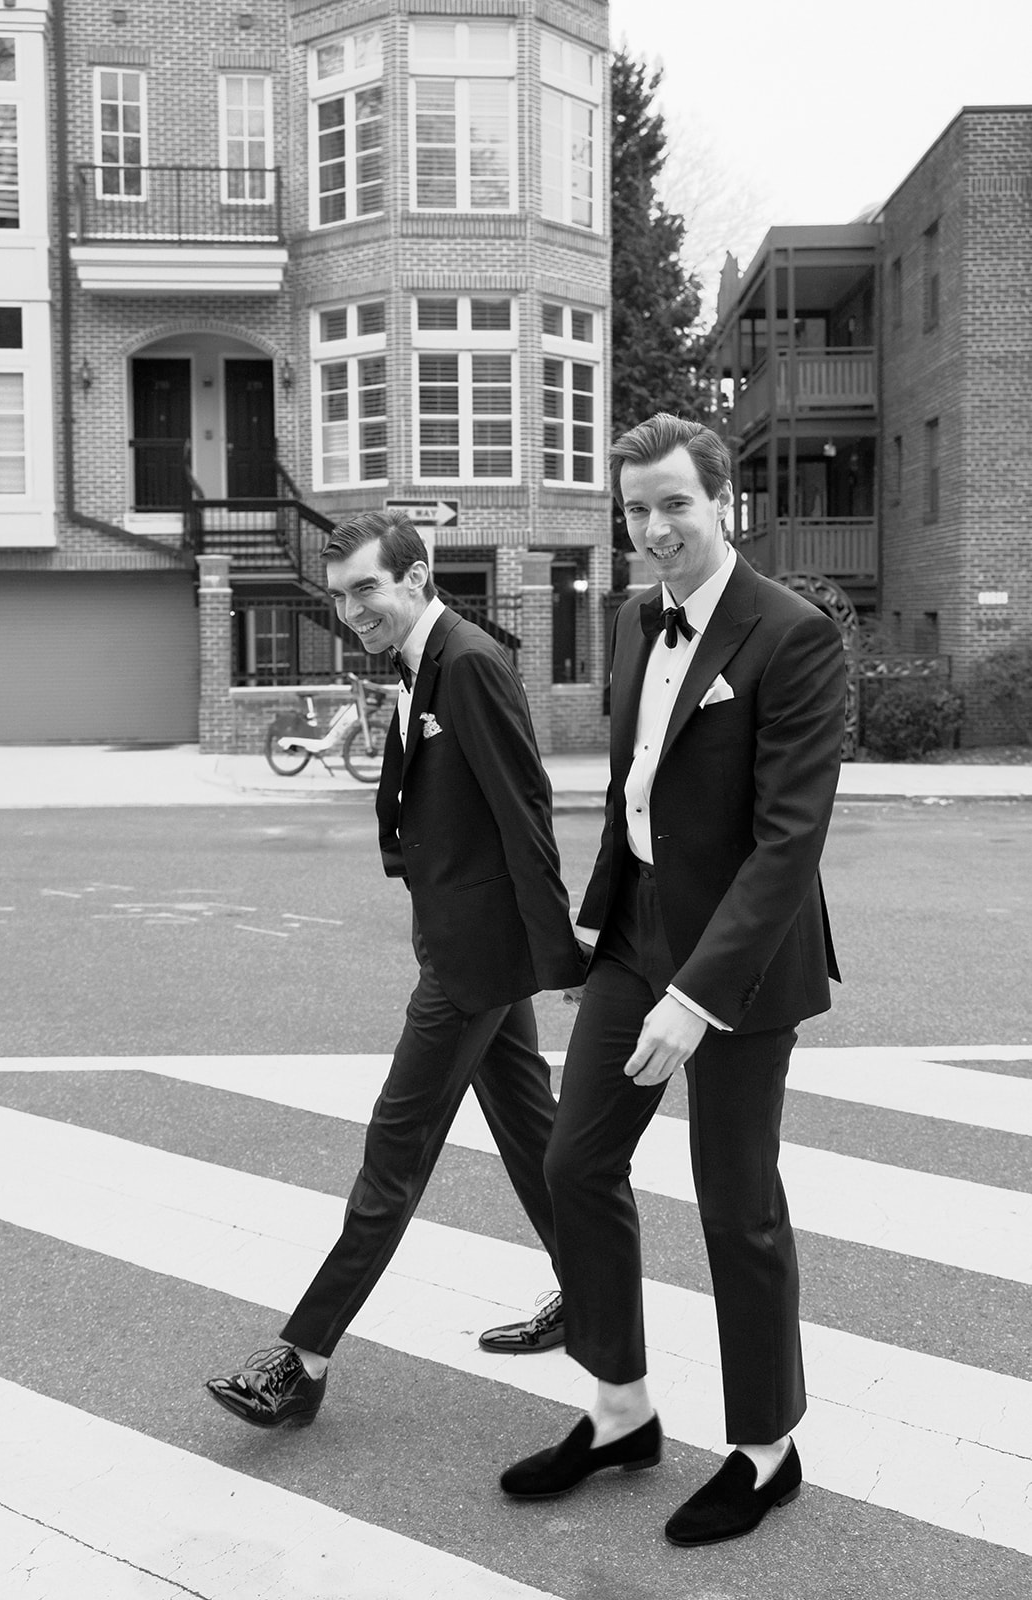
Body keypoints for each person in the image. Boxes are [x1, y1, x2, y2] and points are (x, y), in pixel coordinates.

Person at [498, 414, 847, 1546]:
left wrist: (695, 996)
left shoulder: (790, 636)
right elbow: (632, 792)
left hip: (739, 967)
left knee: (733, 1201)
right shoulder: (626, 620)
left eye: (672, 505)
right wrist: (597, 930)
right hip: (637, 935)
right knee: (575, 1158)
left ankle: (764, 1449)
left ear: (720, 503)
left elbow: (786, 843)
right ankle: (620, 1410)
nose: (652, 529)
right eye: (634, 510)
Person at [207, 510, 583, 1431]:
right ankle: (595, 1297)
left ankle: (301, 1360)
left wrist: (561, 955)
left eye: (366, 589)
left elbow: (525, 814)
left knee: (395, 1149)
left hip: (474, 960)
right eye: (340, 598)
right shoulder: (423, 662)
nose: (352, 612)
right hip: (463, 941)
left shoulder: (469, 665)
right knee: (533, 1139)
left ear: (417, 577)